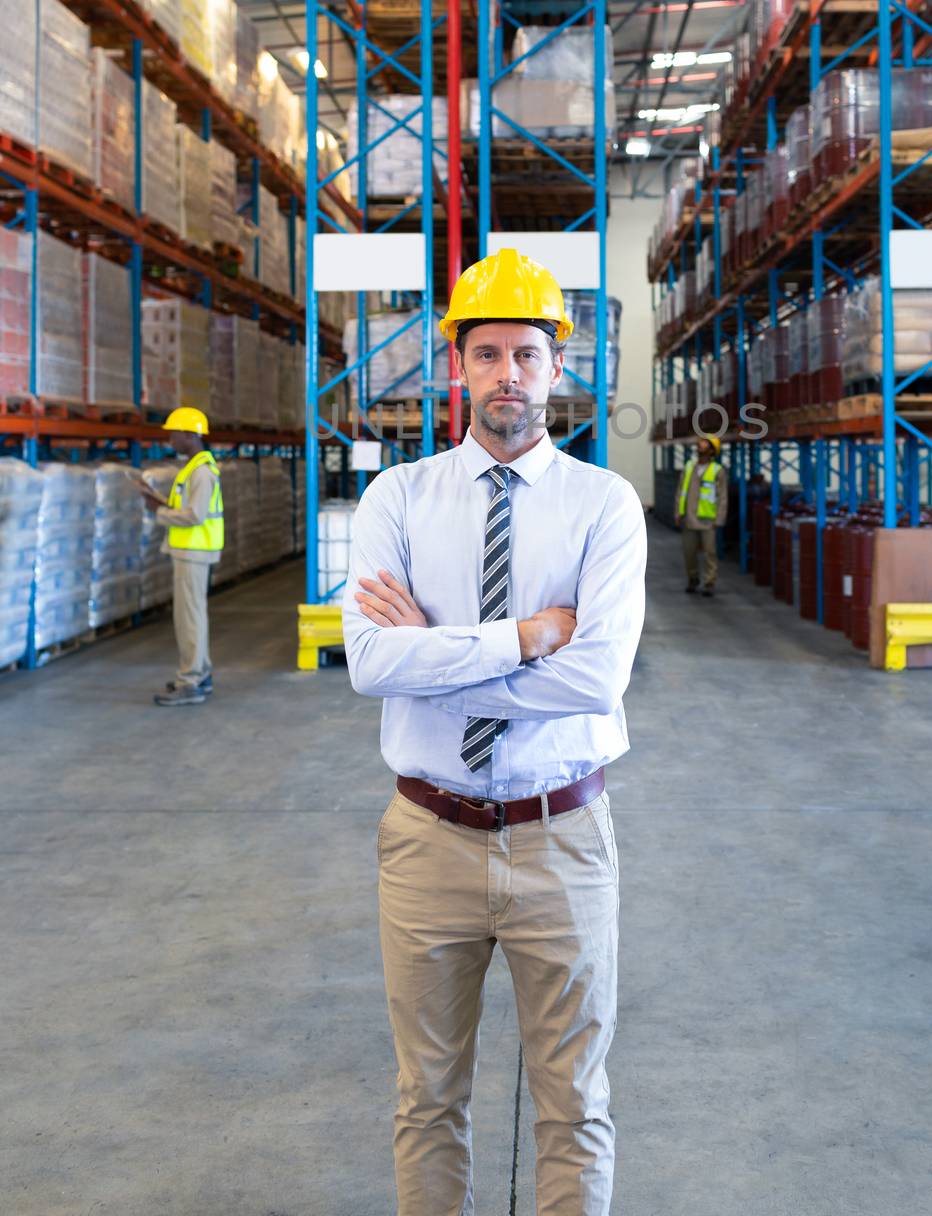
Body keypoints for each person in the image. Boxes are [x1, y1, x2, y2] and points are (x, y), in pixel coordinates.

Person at [342, 247, 646, 1216]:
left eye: (525, 353)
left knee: (573, 1103)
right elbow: (367, 663)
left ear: (557, 366)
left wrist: (436, 655)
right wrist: (517, 639)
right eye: (486, 353)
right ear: (455, 367)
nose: (506, 374)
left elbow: (596, 677)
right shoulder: (397, 497)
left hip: (562, 837)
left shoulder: (602, 504)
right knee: (426, 1099)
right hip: (427, 838)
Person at [140, 407, 224, 707]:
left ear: (190, 435)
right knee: (191, 616)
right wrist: (162, 503)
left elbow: (195, 515)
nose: (170, 439)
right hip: (190, 551)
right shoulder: (193, 467)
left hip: (194, 551)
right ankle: (200, 674)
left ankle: (191, 681)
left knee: (189, 619)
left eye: (174, 433)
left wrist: (158, 511)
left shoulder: (201, 471)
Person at [675, 435, 728, 596]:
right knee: (688, 552)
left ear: (712, 450)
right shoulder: (689, 467)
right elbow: (680, 492)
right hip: (689, 519)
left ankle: (709, 582)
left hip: (707, 520)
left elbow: (722, 497)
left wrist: (719, 519)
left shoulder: (717, 471)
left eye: (704, 444)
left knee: (709, 553)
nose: (700, 446)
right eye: (700, 443)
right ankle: (693, 579)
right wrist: (678, 512)